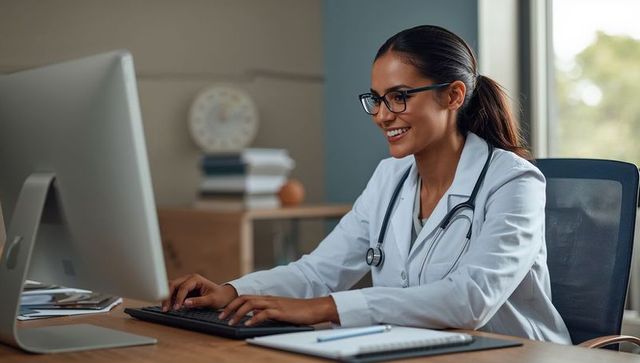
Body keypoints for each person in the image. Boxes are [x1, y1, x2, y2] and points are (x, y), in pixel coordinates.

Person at [162, 25, 571, 344]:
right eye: (376, 99)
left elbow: (470, 300)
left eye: (399, 96)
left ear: (453, 96)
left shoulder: (513, 182)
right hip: (423, 349)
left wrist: (325, 309)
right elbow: (319, 272)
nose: (382, 115)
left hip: (518, 353)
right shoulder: (389, 179)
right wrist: (231, 292)